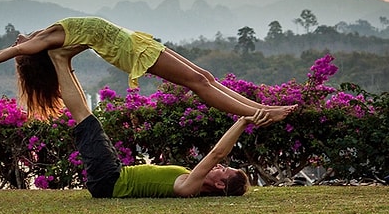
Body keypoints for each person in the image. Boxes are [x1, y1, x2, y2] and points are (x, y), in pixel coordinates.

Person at [46, 45, 292, 198]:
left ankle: (58, 60)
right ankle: (63, 63)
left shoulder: (188, 187)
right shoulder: (187, 179)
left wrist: (243, 120)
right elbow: (217, 157)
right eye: (222, 167)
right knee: (89, 120)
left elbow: (217, 153)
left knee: (84, 119)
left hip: (108, 181)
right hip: (114, 174)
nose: (219, 167)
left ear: (219, 184)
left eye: (223, 171)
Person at [0, 16, 296, 120]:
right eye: (22, 45)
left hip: (139, 42)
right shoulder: (45, 39)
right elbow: (17, 48)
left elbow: (14, 46)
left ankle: (262, 108)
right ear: (31, 51)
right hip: (131, 53)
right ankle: (259, 115)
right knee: (197, 82)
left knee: (204, 77)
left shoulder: (42, 37)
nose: (20, 37)